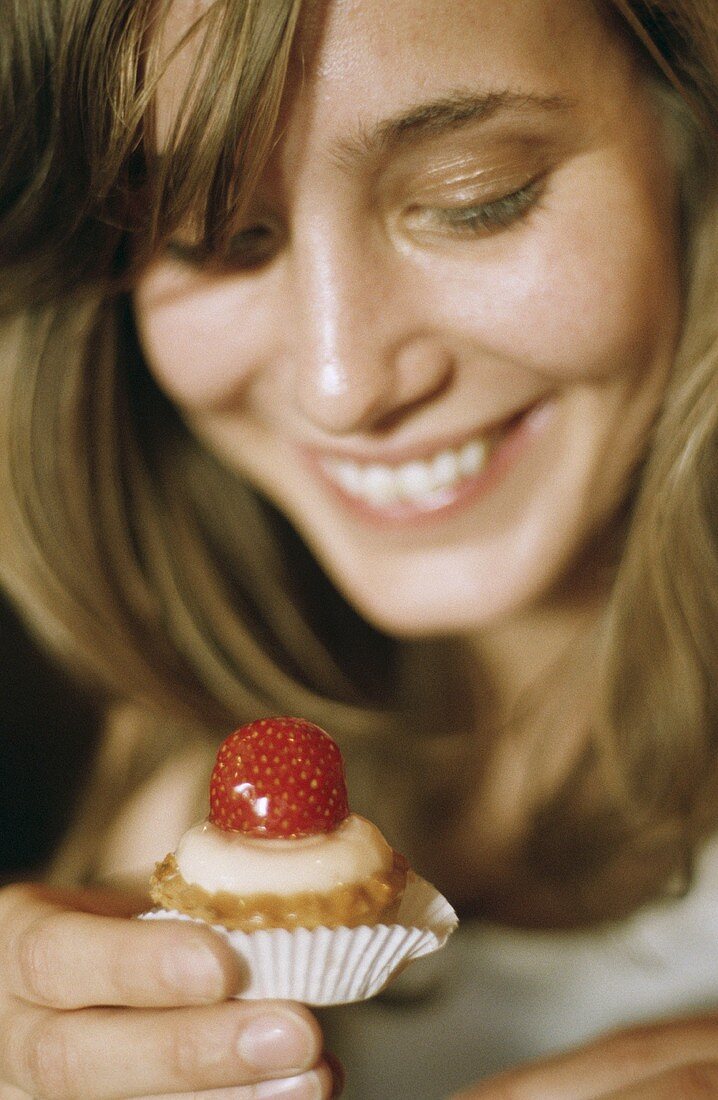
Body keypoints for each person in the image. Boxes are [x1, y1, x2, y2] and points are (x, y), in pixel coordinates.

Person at [1, 0, 718, 1096]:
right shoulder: (178, 794)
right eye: (214, 236)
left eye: (473, 200)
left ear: (690, 139)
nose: (343, 384)